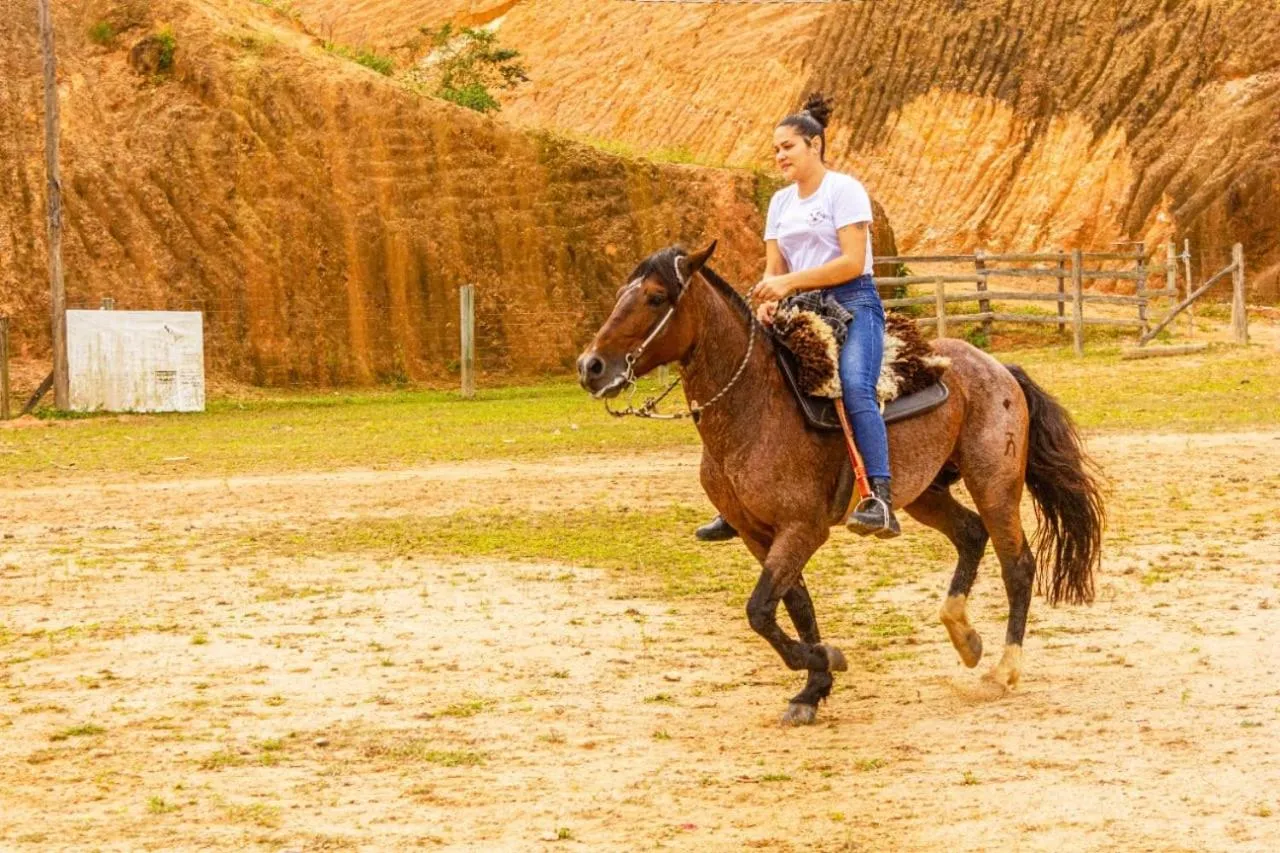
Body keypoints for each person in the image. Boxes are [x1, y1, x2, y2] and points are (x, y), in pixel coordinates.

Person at [695, 92, 900, 542]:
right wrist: (770, 297)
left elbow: (852, 262)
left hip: (852, 304)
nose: (779, 155)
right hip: (797, 308)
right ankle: (736, 500)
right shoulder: (780, 203)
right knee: (747, 379)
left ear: (815, 145)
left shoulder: (844, 190)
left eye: (787, 146)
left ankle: (880, 497)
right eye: (775, 149)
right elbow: (775, 268)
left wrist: (788, 284)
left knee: (855, 385)